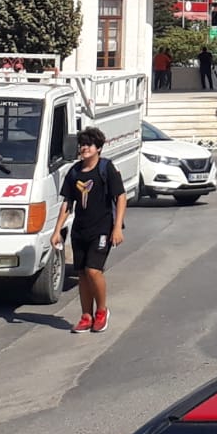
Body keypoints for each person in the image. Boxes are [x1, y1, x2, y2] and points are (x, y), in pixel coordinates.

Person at [51, 126, 126, 334]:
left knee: (94, 271)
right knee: (83, 273)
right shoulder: (74, 172)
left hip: (102, 228)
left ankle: (102, 311)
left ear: (98, 148)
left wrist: (117, 227)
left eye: (89, 145)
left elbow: (120, 197)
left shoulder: (106, 168)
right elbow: (67, 203)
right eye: (82, 145)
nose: (84, 148)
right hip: (79, 230)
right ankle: (86, 315)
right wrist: (57, 230)